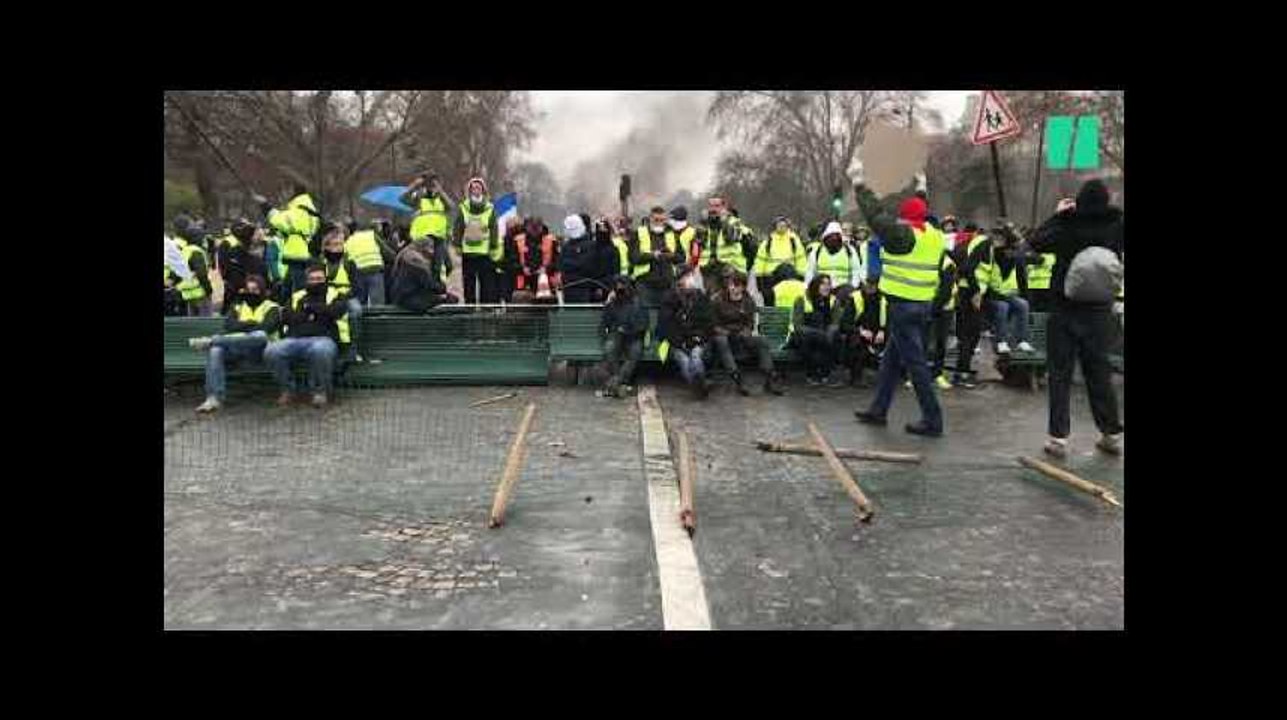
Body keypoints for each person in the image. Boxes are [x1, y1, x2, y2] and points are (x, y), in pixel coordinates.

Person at [1029, 180, 1125, 458]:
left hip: (1064, 308)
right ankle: (1111, 434)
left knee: (1060, 373)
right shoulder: (1116, 224)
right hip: (1099, 311)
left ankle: (1058, 438)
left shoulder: (1067, 223)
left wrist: (1059, 214)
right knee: (1099, 372)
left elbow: (1036, 241)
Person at [851, 171, 945, 438]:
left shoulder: (902, 235)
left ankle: (933, 419)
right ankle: (878, 410)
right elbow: (920, 210)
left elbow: (875, 215)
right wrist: (922, 188)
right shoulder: (934, 235)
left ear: (906, 218)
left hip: (903, 307)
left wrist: (860, 183)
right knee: (891, 362)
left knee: (916, 367)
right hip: (921, 306)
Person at [188, 275, 281, 413]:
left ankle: (211, 340)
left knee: (260, 336)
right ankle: (214, 398)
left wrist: (243, 325)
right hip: (236, 350)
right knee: (215, 351)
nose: (251, 293)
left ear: (262, 290)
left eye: (255, 289)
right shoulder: (238, 306)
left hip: (261, 352)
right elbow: (229, 325)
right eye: (248, 289)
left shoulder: (272, 307)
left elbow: (267, 328)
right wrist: (252, 324)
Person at [263, 263, 350, 408]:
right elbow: (287, 317)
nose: (316, 282)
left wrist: (309, 309)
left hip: (324, 339)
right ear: (306, 281)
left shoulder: (336, 294)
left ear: (326, 279)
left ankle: (320, 392)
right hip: (295, 339)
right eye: (312, 279)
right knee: (272, 351)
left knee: (320, 351)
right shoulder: (297, 296)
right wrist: (318, 313)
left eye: (319, 278)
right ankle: (288, 389)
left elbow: (335, 312)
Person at [710, 272, 785, 396]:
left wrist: (746, 331)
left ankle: (770, 377)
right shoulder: (718, 300)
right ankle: (737, 377)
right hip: (724, 334)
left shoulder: (748, 301)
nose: (732, 288)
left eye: (736, 285)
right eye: (731, 285)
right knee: (721, 340)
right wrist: (726, 332)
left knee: (761, 341)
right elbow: (713, 324)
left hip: (741, 335)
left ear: (742, 287)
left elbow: (750, 323)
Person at [658, 267, 716, 399]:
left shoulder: (700, 297)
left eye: (691, 276)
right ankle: (700, 386)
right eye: (687, 276)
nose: (691, 279)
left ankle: (698, 385)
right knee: (684, 359)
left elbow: (708, 323)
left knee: (695, 356)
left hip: (697, 340)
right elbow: (666, 326)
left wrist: (697, 338)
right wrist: (681, 342)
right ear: (679, 280)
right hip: (677, 342)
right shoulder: (669, 299)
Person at [980, 224, 1034, 355]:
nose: (997, 241)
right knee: (1002, 307)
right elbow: (984, 281)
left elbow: (1022, 280)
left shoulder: (1012, 257)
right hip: (990, 296)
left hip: (1006, 295)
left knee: (1023, 304)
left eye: (1000, 238)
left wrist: (1027, 298)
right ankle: (1001, 342)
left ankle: (1022, 340)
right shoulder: (990, 254)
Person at [952, 222, 993, 389]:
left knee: (965, 335)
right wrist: (976, 292)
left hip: (964, 291)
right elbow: (969, 269)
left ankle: (961, 371)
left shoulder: (965, 244)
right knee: (971, 335)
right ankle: (962, 374)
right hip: (971, 293)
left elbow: (962, 267)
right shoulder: (984, 243)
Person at [259, 184, 320, 298]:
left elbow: (279, 220)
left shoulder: (298, 210)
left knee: (298, 291)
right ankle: (285, 307)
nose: (283, 194)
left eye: (286, 190)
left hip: (298, 255)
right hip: (301, 254)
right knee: (286, 289)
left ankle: (297, 310)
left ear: (294, 192)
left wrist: (265, 206)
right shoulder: (306, 207)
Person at [598, 275, 650, 398]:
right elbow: (604, 324)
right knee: (609, 348)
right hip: (616, 335)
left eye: (623, 286)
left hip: (634, 336)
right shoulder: (612, 304)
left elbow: (643, 324)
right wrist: (609, 332)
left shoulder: (638, 303)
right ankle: (621, 383)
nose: (620, 289)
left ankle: (615, 383)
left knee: (635, 352)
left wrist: (627, 330)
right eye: (618, 286)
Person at [452, 177, 501, 303]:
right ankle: (470, 307)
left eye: (478, 187)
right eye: (473, 188)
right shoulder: (463, 207)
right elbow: (458, 227)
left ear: (483, 190)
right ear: (469, 191)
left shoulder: (490, 208)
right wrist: (457, 244)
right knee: (469, 283)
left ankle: (485, 308)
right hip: (468, 251)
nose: (476, 190)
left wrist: (494, 246)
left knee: (486, 282)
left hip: (484, 251)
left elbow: (494, 228)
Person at [693, 196, 753, 295]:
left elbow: (731, 238)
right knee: (713, 300)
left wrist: (724, 221)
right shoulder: (704, 223)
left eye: (717, 206)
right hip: (709, 268)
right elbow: (698, 241)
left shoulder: (733, 221)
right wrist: (703, 223)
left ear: (723, 207)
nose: (713, 209)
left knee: (730, 298)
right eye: (711, 206)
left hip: (730, 267)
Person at [790, 274, 842, 386]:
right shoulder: (802, 299)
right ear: (815, 285)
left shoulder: (834, 301)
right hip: (807, 335)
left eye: (828, 284)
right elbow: (798, 325)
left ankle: (825, 374)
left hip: (827, 335)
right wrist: (819, 334)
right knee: (806, 339)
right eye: (823, 284)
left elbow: (836, 323)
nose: (826, 287)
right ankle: (811, 373)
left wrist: (829, 332)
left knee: (835, 337)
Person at [629, 206, 684, 307]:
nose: (659, 222)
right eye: (656, 220)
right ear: (650, 219)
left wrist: (671, 255)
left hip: (667, 284)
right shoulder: (639, 233)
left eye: (662, 220)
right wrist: (652, 256)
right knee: (644, 319)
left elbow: (681, 258)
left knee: (666, 318)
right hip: (645, 284)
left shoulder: (672, 234)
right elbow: (633, 257)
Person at [389, 237, 457, 313]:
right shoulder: (416, 261)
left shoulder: (404, 256)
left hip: (403, 297)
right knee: (451, 299)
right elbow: (430, 284)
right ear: (423, 250)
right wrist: (443, 289)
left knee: (442, 298)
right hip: (411, 299)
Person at [753, 216, 808, 308]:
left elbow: (800, 258)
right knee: (771, 305)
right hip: (771, 279)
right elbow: (760, 260)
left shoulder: (794, 241)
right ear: (775, 227)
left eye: (784, 225)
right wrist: (759, 279)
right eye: (779, 225)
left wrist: (801, 276)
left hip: (790, 277)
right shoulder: (768, 242)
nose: (782, 227)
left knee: (788, 302)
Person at [842, 280, 887, 388]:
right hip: (860, 333)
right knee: (855, 340)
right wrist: (860, 331)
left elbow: (891, 320)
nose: (870, 286)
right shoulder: (854, 298)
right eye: (868, 283)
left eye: (873, 284)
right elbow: (844, 324)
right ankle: (856, 377)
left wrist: (883, 331)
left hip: (879, 334)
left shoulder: (884, 299)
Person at [559, 214, 614, 303]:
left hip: (586, 290)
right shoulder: (591, 245)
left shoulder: (593, 246)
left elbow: (591, 267)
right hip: (575, 289)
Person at [509, 217, 560, 302]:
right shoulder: (518, 240)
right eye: (532, 228)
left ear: (541, 227)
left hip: (545, 279)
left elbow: (557, 260)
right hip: (524, 278)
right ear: (527, 227)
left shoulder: (551, 240)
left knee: (546, 302)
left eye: (536, 228)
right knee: (522, 302)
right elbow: (512, 260)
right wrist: (522, 268)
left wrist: (546, 269)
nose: (534, 231)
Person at [171, 215, 214, 316]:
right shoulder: (196, 251)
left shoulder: (185, 250)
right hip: (200, 292)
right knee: (205, 321)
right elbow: (201, 273)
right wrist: (208, 289)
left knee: (192, 320)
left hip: (187, 292)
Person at [805, 221, 864, 293]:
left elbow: (856, 271)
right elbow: (810, 272)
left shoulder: (850, 251)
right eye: (831, 236)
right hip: (822, 291)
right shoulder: (817, 251)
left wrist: (853, 287)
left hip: (843, 291)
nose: (834, 239)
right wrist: (808, 288)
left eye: (836, 236)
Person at [344, 220, 390, 307]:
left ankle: (363, 319)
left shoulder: (348, 242)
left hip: (359, 272)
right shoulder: (371, 235)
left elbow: (346, 263)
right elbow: (387, 252)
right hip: (376, 269)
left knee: (361, 302)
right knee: (378, 304)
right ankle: (377, 319)